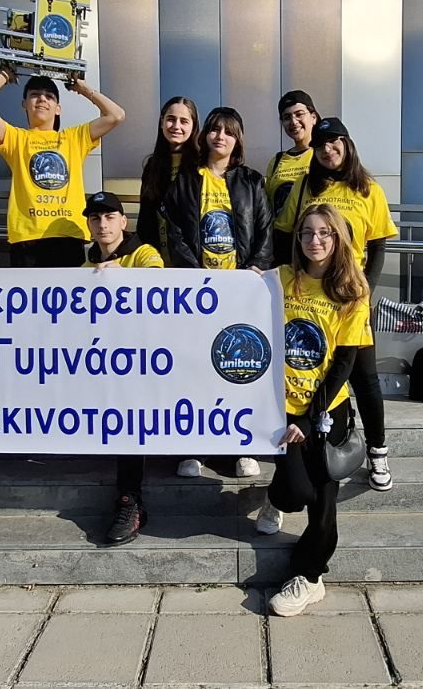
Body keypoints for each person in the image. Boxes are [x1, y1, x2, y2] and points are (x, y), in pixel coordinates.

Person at [271, 117, 398, 492]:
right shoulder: (305, 185)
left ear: (347, 144)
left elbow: (378, 246)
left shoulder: (368, 188)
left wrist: (365, 292)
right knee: (316, 366)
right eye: (321, 145)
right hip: (309, 296)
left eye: (334, 142)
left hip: (348, 298)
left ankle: (377, 451)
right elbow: (285, 234)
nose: (328, 150)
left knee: (364, 377)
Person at [263, 203, 372, 617]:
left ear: (338, 238)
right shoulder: (282, 278)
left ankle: (309, 577)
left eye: (325, 233)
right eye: (307, 232)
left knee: (323, 503)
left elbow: (343, 365)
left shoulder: (352, 292)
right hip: (282, 409)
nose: (315, 240)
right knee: (294, 494)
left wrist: (311, 419)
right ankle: (274, 497)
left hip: (327, 410)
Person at [158, 106, 273, 479]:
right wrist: (193, 274)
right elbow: (175, 231)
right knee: (196, 368)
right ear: (204, 135)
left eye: (229, 131)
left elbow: (265, 229)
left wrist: (253, 269)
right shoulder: (186, 181)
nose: (220, 137)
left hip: (241, 293)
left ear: (238, 139)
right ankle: (195, 448)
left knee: (239, 367)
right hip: (198, 294)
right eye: (214, 130)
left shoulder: (252, 181)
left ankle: (243, 446)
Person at [0, 70, 126, 267]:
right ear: (24, 104)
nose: (42, 99)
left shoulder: (74, 138)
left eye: (49, 96)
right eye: (35, 95)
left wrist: (82, 87)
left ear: (58, 108)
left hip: (67, 235)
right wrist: (5, 74)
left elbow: (116, 115)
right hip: (27, 237)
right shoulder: (16, 138)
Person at [79, 191, 166, 546]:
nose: (102, 224)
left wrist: (124, 277)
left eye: (109, 217)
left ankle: (130, 500)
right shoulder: (85, 265)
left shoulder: (142, 253)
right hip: (102, 361)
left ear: (123, 221)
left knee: (129, 417)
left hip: (145, 360)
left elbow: (161, 282)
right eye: (95, 218)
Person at [135, 96, 201, 263]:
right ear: (161, 122)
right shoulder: (152, 165)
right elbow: (145, 219)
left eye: (184, 121)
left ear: (193, 126)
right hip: (157, 261)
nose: (176, 126)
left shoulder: (202, 165)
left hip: (193, 262)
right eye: (171, 119)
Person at [266, 90, 319, 263]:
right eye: (287, 117)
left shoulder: (323, 156)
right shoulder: (277, 160)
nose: (293, 122)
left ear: (313, 117)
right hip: (282, 247)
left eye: (299, 114)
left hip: (314, 244)